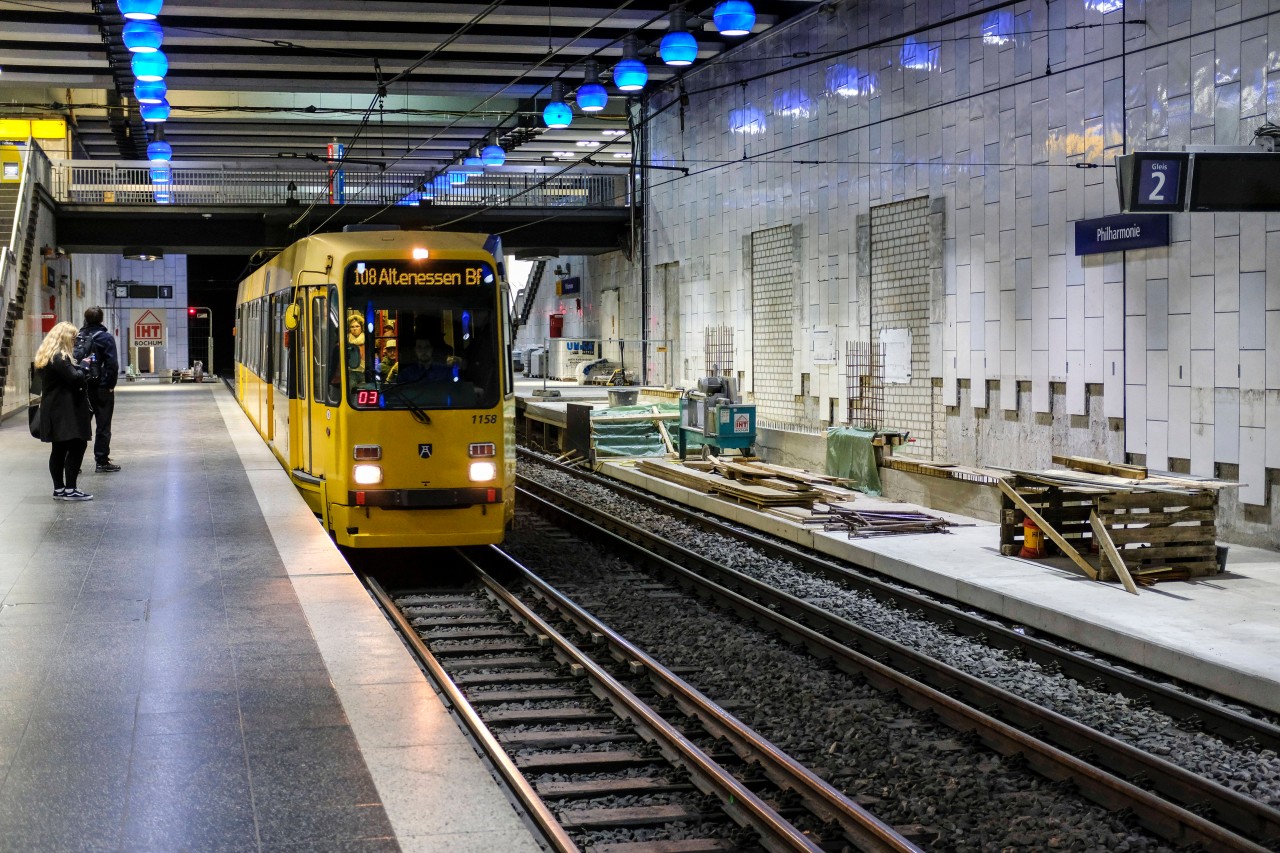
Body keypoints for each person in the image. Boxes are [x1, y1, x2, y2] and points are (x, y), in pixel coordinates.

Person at [33, 322, 94, 501]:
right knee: (78, 445)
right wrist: (84, 366)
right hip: (65, 411)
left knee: (59, 449)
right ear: (65, 338)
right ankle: (70, 489)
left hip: (54, 409)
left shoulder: (45, 356)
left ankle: (59, 489)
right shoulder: (59, 357)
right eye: (74, 338)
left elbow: (36, 386)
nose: (75, 342)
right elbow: (74, 378)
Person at [79, 307, 121, 472]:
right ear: (101, 319)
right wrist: (110, 385)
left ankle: (73, 462)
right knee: (103, 425)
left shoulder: (78, 337)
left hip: (82, 387)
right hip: (102, 388)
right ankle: (101, 461)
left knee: (80, 425)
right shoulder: (105, 338)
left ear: (86, 318)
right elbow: (112, 364)